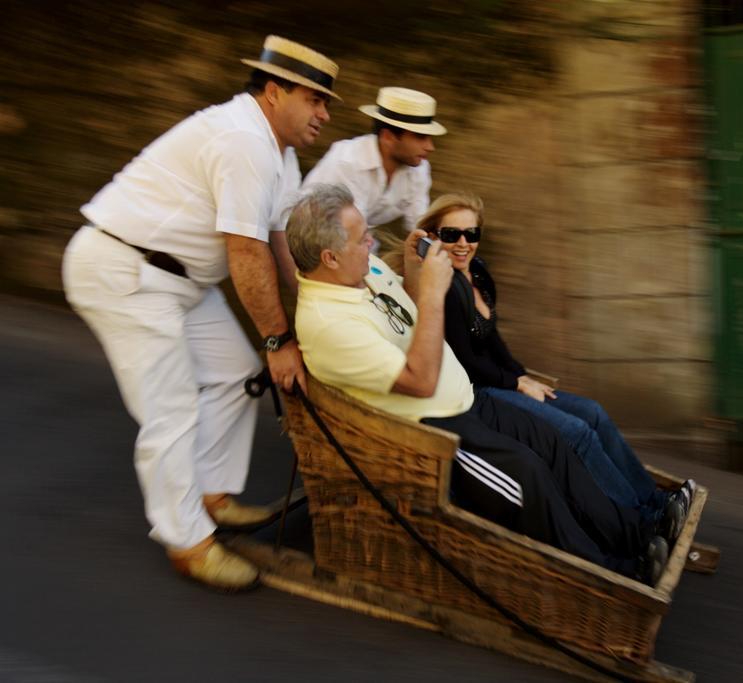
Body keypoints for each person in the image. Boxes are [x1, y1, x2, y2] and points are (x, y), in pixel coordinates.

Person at [61, 35, 341, 591]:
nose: (325, 114)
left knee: (239, 377)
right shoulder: (242, 141)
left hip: (183, 280)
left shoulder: (279, 153)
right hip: (127, 272)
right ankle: (186, 540)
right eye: (314, 99)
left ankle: (210, 494)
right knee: (170, 408)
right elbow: (245, 252)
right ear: (274, 89)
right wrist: (278, 340)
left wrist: (329, 304)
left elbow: (280, 240)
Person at [287, 183, 670, 585]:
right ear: (330, 258)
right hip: (435, 433)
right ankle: (614, 578)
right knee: (530, 479)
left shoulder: (368, 270)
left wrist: (415, 274)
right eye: (361, 238)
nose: (372, 241)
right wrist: (435, 291)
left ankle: (637, 538)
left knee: (554, 444)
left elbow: (416, 317)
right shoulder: (328, 324)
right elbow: (419, 381)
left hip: (466, 399)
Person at [417, 192, 696, 539]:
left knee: (593, 412)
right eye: (450, 235)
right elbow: (467, 361)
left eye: (471, 234)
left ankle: (654, 500)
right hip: (477, 391)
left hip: (501, 379)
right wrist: (515, 383)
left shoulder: (479, 273)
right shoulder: (442, 286)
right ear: (433, 237)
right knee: (576, 432)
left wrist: (521, 374)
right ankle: (640, 518)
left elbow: (493, 339)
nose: (463, 244)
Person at [301, 87, 445, 234]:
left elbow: (421, 226)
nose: (430, 147)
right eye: (420, 137)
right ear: (388, 137)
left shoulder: (419, 169)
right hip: (305, 238)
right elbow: (352, 233)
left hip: (353, 242)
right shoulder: (348, 163)